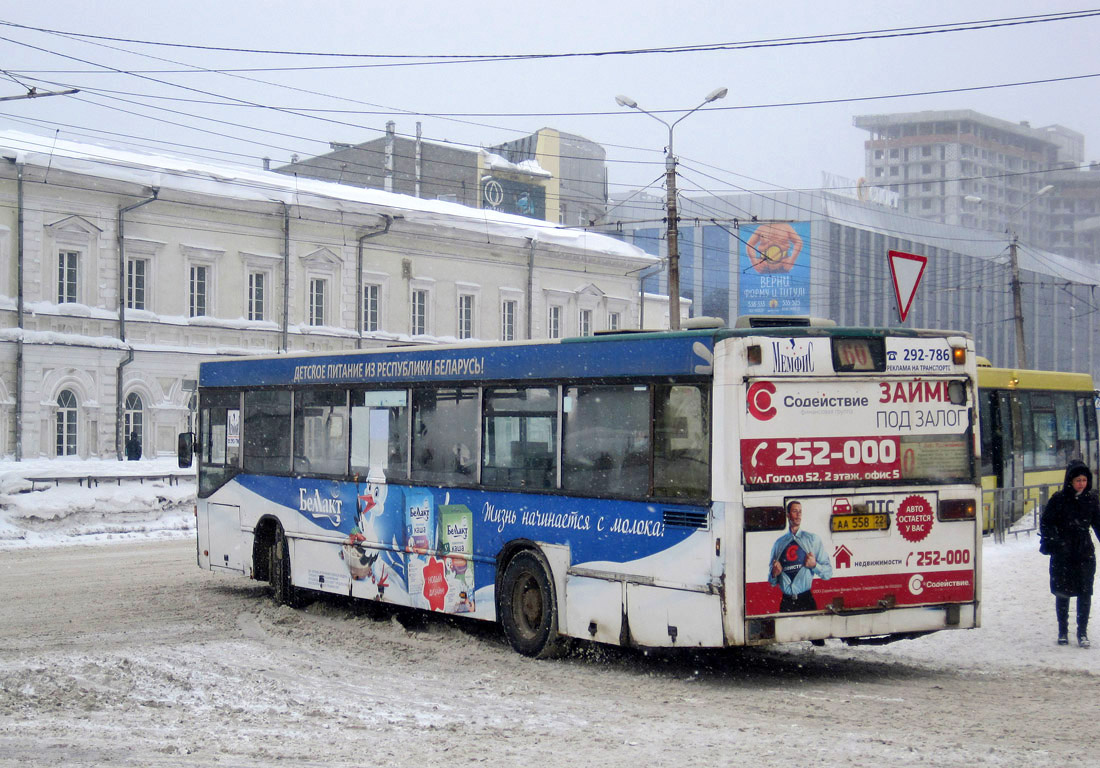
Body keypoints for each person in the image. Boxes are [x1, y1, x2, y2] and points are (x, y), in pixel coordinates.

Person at [1039, 460, 1100, 647]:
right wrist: (1054, 540)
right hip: (1063, 552)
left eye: (1084, 480)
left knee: (1085, 592)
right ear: (1070, 481)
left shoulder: (1091, 499)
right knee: (1062, 592)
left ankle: (1082, 632)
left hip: (1084, 551)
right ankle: (1063, 631)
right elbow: (1046, 523)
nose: (1081, 483)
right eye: (1078, 480)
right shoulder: (1058, 499)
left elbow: (1098, 524)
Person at [769, 500, 833, 612]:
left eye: (800, 512)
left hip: (806, 600)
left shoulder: (812, 539)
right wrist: (774, 574)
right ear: (788, 515)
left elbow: (828, 573)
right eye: (795, 511)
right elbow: (772, 582)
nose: (798, 515)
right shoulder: (778, 544)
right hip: (786, 603)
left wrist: (814, 565)